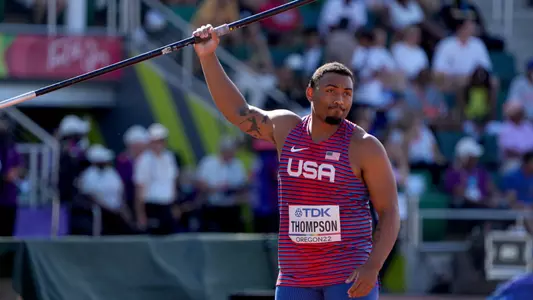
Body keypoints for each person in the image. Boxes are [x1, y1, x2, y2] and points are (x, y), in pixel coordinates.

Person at [193, 25, 400, 300]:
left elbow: (389, 212)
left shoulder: (365, 146)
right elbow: (239, 113)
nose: (340, 99)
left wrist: (373, 267)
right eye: (331, 90)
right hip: (294, 277)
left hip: (348, 275)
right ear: (310, 93)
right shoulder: (286, 128)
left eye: (347, 93)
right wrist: (207, 56)